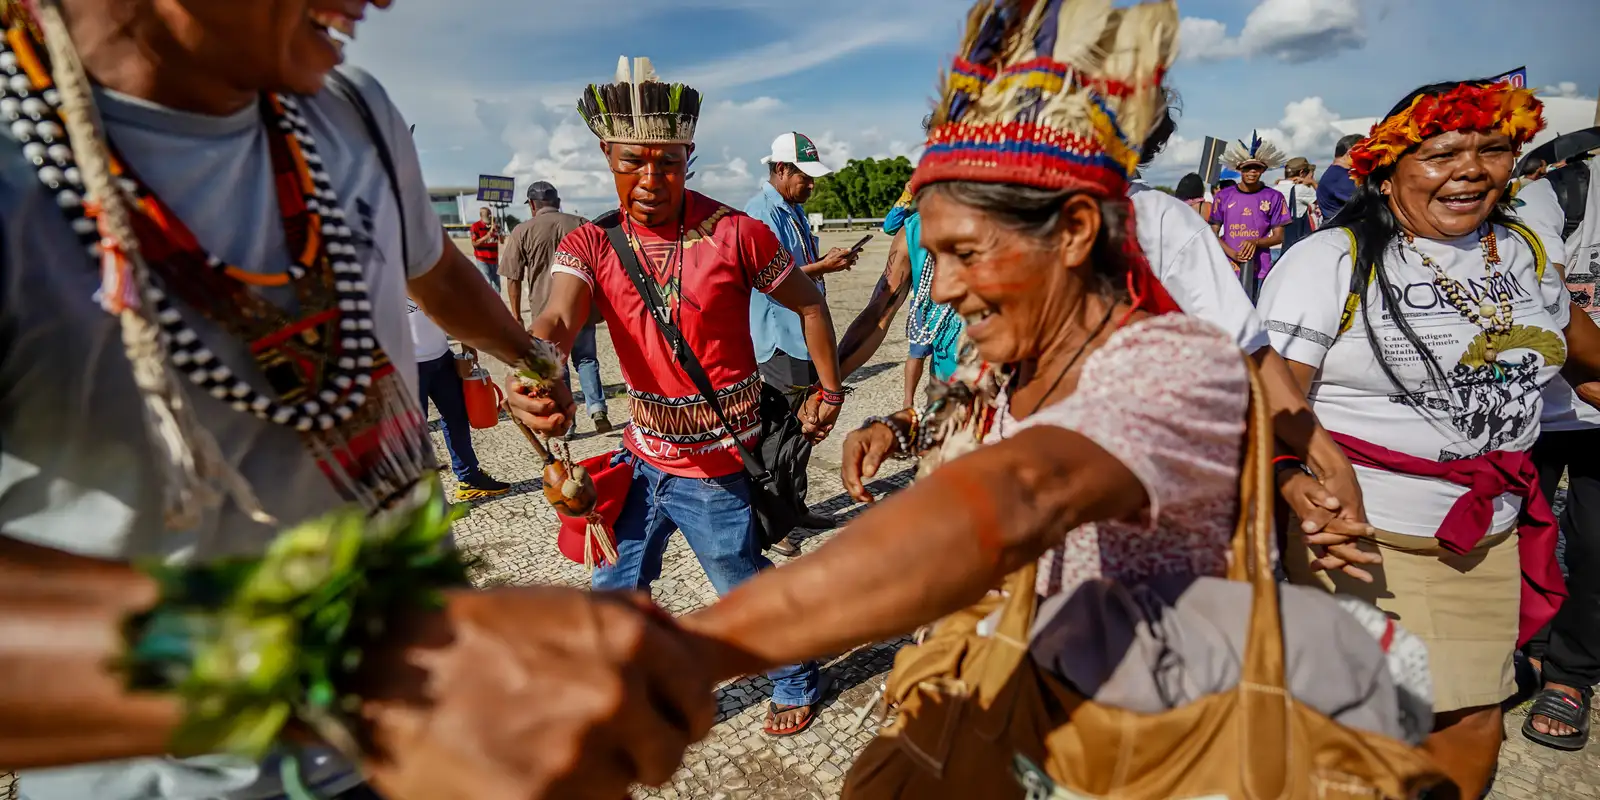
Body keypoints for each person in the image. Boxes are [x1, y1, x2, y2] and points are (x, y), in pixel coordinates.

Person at [673, 0, 1425, 776]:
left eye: (968, 254)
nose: (950, 288)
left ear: (1071, 232)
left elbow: (1017, 497)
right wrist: (897, 429)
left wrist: (696, 647)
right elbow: (960, 410)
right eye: (938, 259)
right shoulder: (1008, 350)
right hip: (1013, 683)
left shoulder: (1168, 370)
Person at [0, 4, 710, 799]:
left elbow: (433, 267)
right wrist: (365, 676)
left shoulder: (350, 111)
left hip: (422, 737)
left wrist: (528, 358)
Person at [1258, 78, 1600, 796]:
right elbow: (1264, 393)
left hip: (1489, 539)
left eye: (1494, 149)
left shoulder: (1523, 253)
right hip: (1364, 539)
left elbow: (1588, 364)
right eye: (1443, 153)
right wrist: (1295, 480)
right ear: (1387, 170)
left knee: (1475, 727)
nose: (1471, 168)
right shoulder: (1332, 261)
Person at [508, 56, 841, 738]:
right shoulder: (590, 243)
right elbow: (556, 318)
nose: (652, 180)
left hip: (717, 465)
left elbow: (810, 304)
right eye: (633, 162)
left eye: (669, 162)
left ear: (689, 156)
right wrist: (534, 367)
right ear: (606, 154)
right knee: (614, 589)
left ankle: (796, 676)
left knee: (739, 585)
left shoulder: (738, 234)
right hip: (639, 459)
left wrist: (830, 389)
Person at [745, 131, 859, 548]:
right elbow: (768, 280)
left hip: (803, 338)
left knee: (805, 429)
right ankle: (774, 524)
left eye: (813, 177)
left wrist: (826, 265)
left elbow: (797, 267)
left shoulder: (790, 210)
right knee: (778, 433)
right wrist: (824, 266)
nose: (812, 185)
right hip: (779, 340)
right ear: (780, 169)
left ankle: (795, 507)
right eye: (804, 177)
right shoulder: (760, 214)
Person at [1520, 155, 1600, 751]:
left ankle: (1572, 674)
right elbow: (1530, 278)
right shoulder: (1564, 192)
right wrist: (1578, 366)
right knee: (1521, 532)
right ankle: (1527, 643)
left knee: (1596, 545)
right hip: (1539, 406)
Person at [499, 181, 612, 433]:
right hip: (582, 308)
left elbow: (512, 277)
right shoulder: (581, 223)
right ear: (557, 202)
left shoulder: (522, 231)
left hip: (544, 312)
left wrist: (516, 315)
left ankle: (567, 420)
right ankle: (597, 409)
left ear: (532, 205)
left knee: (555, 366)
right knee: (586, 360)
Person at [409, 298, 512, 500]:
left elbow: (452, 305)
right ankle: (425, 497)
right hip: (407, 366)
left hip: (442, 358)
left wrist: (467, 342)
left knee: (457, 418)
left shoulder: (426, 269)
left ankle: (469, 478)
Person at [1210, 131, 1290, 300]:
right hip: (1228, 267)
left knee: (1257, 315)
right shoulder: (1223, 196)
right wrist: (1231, 253)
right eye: (1247, 167)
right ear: (1239, 169)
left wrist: (1256, 242)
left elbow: (1279, 237)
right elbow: (1212, 234)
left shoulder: (1274, 197)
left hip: (1260, 269)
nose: (1252, 172)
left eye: (1257, 168)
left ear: (1263, 169)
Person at [1317, 132, 1363, 223]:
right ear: (1350, 153)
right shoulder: (1340, 177)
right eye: (1362, 152)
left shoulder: (1335, 173)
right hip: (1341, 229)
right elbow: (1363, 203)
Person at [468, 206, 502, 290]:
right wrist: (486, 236)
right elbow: (474, 243)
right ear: (481, 216)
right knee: (487, 283)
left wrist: (498, 232)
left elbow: (502, 241)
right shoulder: (475, 226)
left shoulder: (494, 226)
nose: (490, 217)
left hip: (494, 259)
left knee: (497, 284)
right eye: (487, 216)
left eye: (490, 215)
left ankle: (496, 302)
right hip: (482, 259)